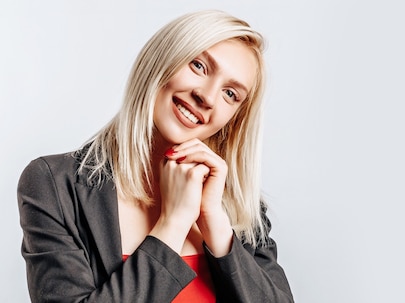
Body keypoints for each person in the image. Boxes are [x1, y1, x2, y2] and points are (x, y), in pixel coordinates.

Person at [17, 9, 293, 303]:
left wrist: (216, 226)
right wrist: (173, 223)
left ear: (234, 120)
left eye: (230, 94)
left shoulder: (243, 207)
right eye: (199, 65)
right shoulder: (54, 184)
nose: (208, 97)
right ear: (161, 59)